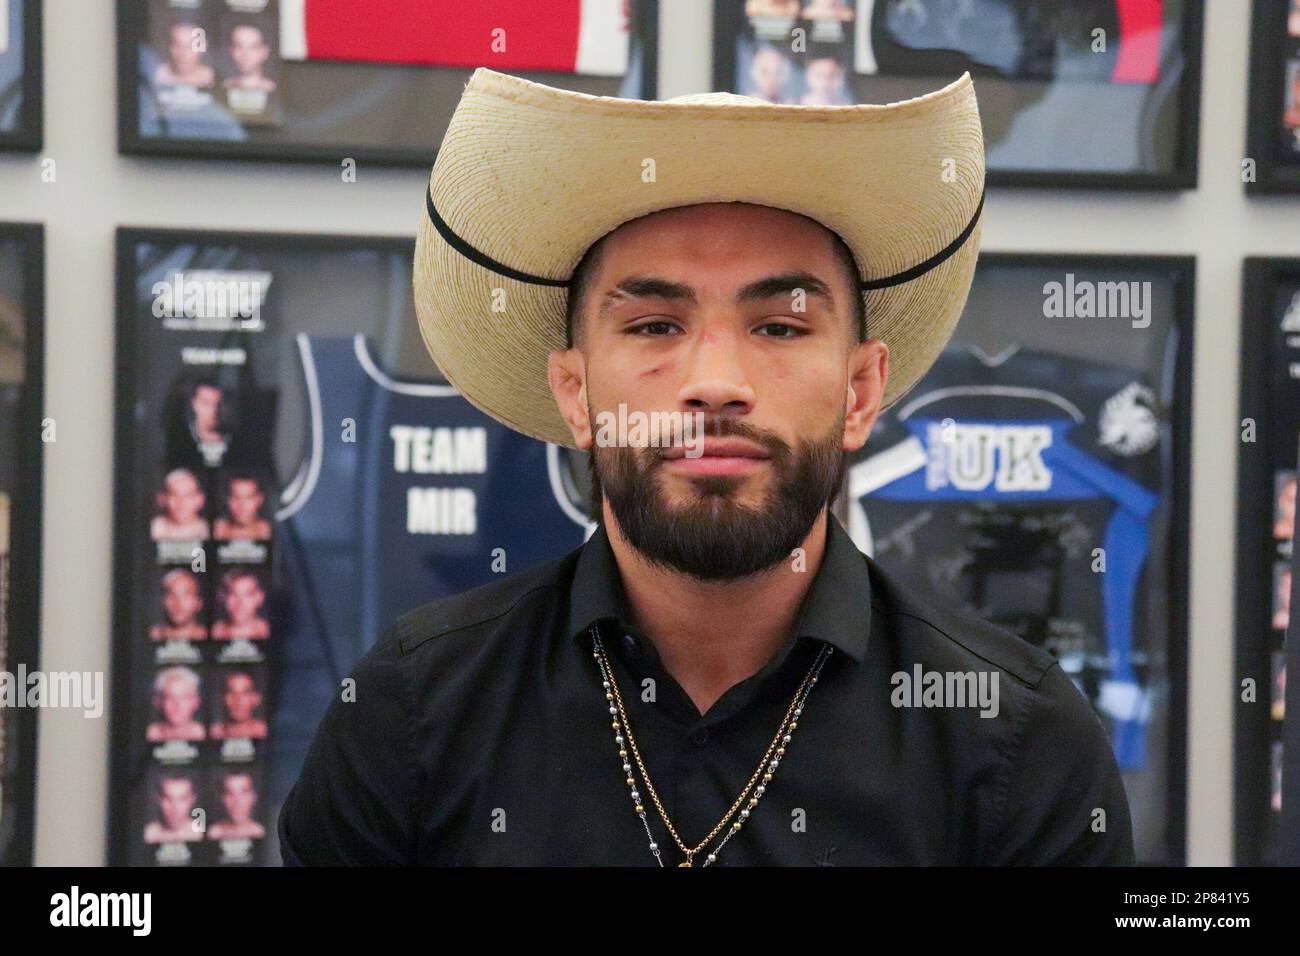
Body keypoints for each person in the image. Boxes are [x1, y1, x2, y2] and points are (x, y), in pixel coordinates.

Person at [280, 68, 1134, 866]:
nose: (716, 383)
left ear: (862, 390)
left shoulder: (1016, 741)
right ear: (576, 394)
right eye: (654, 326)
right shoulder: (413, 714)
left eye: (781, 326)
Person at [145, 667, 205, 743]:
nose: (177, 705)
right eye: (170, 697)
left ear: (196, 702)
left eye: (184, 697)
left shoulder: (204, 734)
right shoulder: (149, 735)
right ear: (158, 702)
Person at [149, 468, 209, 541]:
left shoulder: (208, 530)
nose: (181, 503)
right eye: (174, 495)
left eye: (188, 495)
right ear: (162, 499)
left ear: (200, 499)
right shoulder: (154, 528)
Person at [154, 20, 216, 89]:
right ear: (170, 47)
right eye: (178, 45)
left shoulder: (214, 79)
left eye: (190, 46)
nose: (183, 53)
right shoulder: (157, 76)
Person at [150, 569, 208, 641]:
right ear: (163, 600)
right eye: (171, 595)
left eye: (186, 595)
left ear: (199, 602)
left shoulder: (209, 636)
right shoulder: (152, 636)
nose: (178, 603)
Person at [143, 775, 204, 844]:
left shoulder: (200, 833)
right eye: (168, 798)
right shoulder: (149, 833)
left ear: (192, 799)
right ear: (158, 799)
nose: (175, 807)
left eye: (182, 799)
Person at [211, 569, 270, 640]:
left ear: (259, 597)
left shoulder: (268, 631)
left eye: (247, 595)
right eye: (233, 594)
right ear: (223, 597)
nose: (239, 604)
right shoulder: (214, 632)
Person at [210, 671, 268, 740]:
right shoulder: (215, 733)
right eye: (231, 692)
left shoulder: (264, 731)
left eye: (245, 692)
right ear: (223, 698)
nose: (238, 700)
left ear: (256, 698)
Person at [209, 772, 266, 840]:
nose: (237, 801)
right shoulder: (213, 833)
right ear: (222, 798)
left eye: (244, 792)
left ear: (254, 797)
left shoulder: (261, 833)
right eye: (230, 793)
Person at [214, 473, 271, 541]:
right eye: (236, 497)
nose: (241, 506)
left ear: (259, 499)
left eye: (248, 498)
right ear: (228, 499)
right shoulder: (218, 530)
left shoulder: (267, 532)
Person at [224, 23, 277, 93]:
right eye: (239, 47)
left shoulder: (275, 90)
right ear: (231, 50)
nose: (245, 54)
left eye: (252, 47)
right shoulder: (223, 87)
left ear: (265, 52)